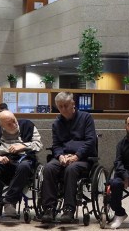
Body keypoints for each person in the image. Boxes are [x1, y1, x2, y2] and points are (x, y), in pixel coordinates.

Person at [40, 91, 97, 224]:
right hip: (63, 156)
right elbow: (56, 145)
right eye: (60, 106)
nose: (63, 109)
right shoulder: (56, 123)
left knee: (71, 169)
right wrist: (60, 156)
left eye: (66, 105)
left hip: (82, 158)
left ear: (73, 104)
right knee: (49, 168)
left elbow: (90, 141)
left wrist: (76, 156)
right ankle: (49, 208)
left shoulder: (86, 118)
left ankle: (69, 209)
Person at [0, 110, 42, 220]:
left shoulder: (28, 125)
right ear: (2, 126)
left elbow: (39, 145)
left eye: (14, 121)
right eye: (9, 124)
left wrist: (23, 146)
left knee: (24, 166)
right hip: (2, 161)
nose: (14, 125)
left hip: (23, 160)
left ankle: (10, 201)